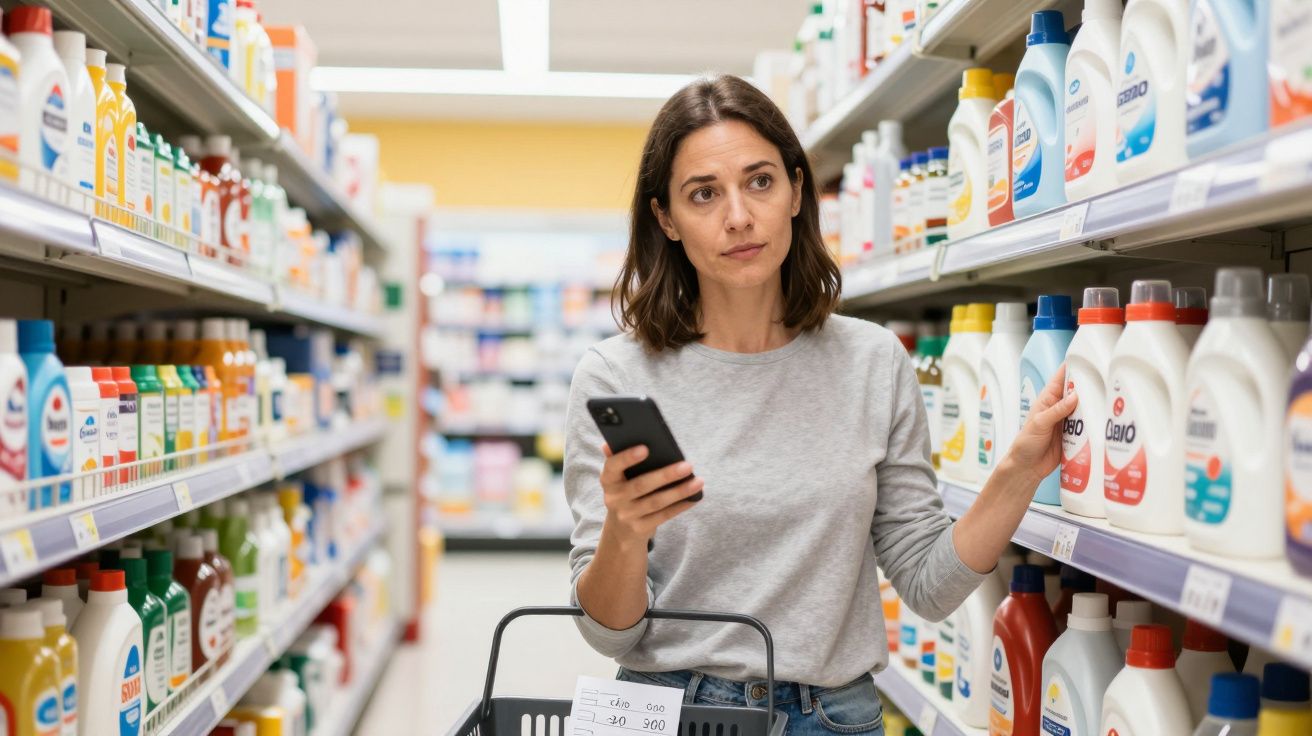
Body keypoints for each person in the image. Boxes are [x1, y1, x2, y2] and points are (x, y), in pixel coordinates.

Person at [563, 75, 1077, 736]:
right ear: (665, 218)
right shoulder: (617, 374)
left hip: (832, 717)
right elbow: (608, 633)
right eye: (703, 194)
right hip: (671, 711)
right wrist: (625, 532)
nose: (738, 217)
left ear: (798, 191)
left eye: (760, 182)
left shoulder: (872, 361)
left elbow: (927, 584)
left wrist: (1019, 472)